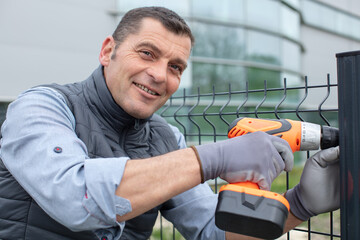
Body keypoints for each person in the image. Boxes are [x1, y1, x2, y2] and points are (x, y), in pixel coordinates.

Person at [0, 6, 340, 240]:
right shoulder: (43, 106)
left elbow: (213, 231)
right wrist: (210, 159)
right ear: (108, 52)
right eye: (147, 53)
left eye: (176, 67)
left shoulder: (167, 139)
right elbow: (74, 196)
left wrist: (296, 205)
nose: (160, 75)